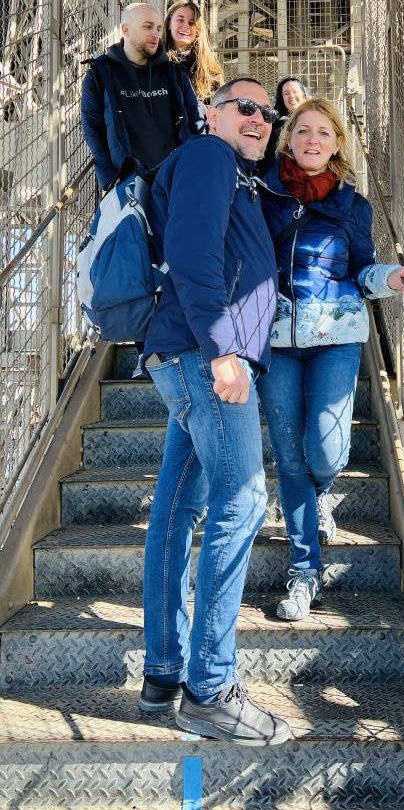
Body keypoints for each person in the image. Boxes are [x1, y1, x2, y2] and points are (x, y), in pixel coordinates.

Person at [138, 77, 290, 746]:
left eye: (269, 113)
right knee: (244, 499)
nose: (261, 118)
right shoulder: (207, 157)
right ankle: (210, 690)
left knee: (175, 515)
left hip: (188, 354)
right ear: (211, 114)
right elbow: (193, 255)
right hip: (206, 359)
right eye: (246, 107)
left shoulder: (236, 175)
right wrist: (226, 350)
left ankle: (165, 670)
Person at [257, 97, 404, 622]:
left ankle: (323, 492)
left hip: (336, 335)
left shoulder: (354, 205)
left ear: (336, 144)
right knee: (290, 456)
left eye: (323, 132)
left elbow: (362, 270)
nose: (311, 139)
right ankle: (305, 572)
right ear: (289, 140)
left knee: (323, 453)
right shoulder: (263, 195)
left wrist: (389, 277)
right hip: (276, 338)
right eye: (302, 130)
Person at [81, 2, 205, 192]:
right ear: (126, 30)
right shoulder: (100, 74)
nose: (156, 34)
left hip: (175, 182)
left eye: (158, 28)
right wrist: (109, 179)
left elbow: (196, 124)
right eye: (147, 27)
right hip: (126, 185)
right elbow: (93, 131)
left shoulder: (175, 75)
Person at [163, 0, 224, 102]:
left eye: (191, 22)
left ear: (198, 30)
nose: (186, 26)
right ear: (169, 23)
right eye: (180, 20)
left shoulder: (211, 71)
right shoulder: (152, 63)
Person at [260, 76, 308, 170]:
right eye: (286, 93)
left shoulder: (317, 119)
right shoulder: (276, 124)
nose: (291, 96)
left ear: (303, 94)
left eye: (295, 91)